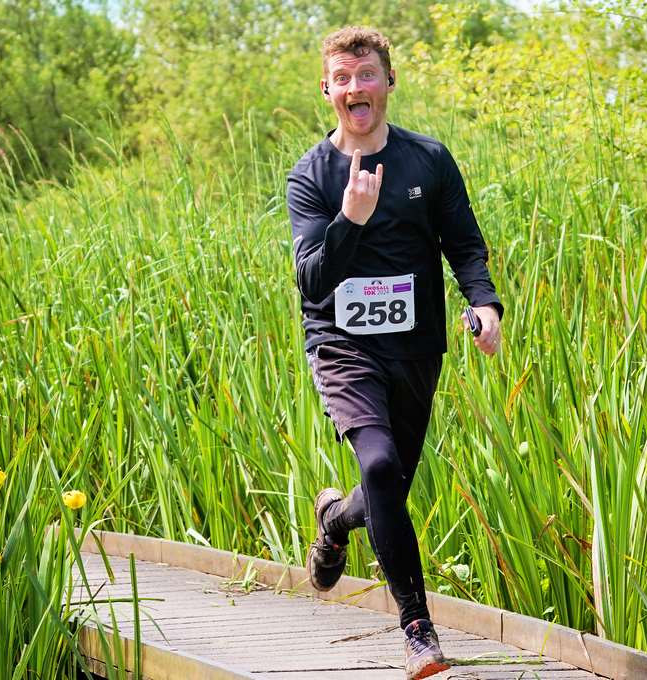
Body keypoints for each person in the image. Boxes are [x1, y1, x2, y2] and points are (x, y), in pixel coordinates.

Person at [286, 26, 503, 680]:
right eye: (343, 78)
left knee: (389, 484)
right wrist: (350, 220)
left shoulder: (428, 161)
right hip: (342, 345)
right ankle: (418, 629)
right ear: (327, 89)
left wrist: (485, 304)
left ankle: (334, 519)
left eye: (368, 74)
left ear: (388, 82)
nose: (356, 87)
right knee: (379, 467)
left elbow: (463, 243)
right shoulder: (311, 177)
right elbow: (312, 279)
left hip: (414, 350)